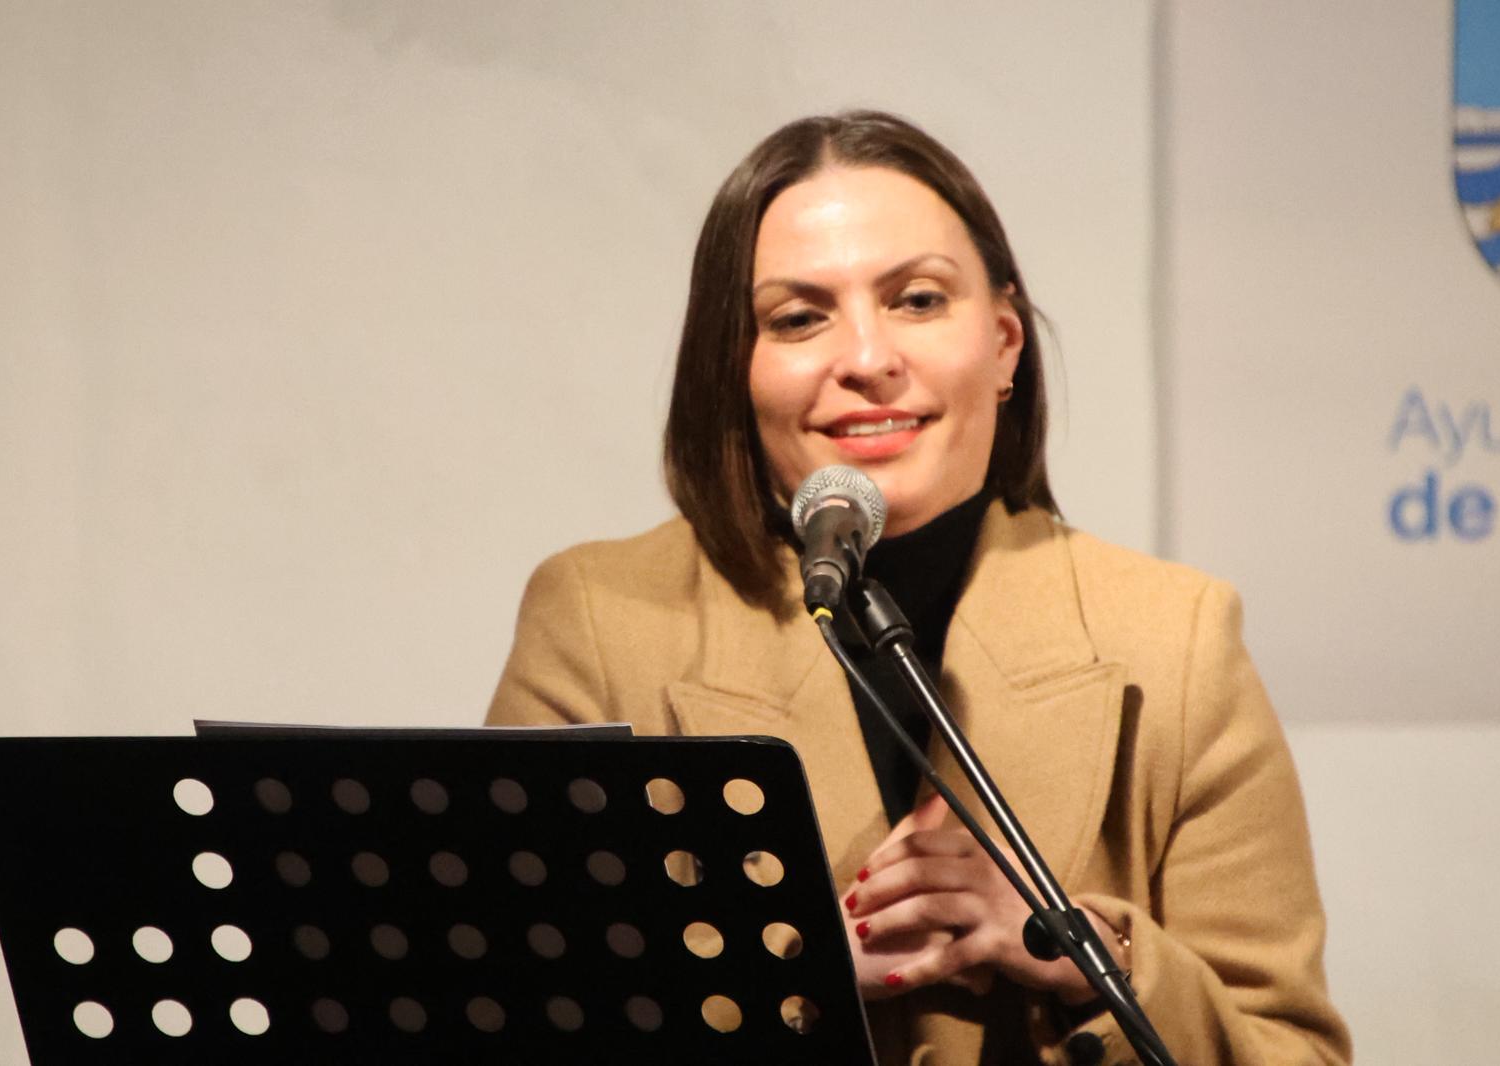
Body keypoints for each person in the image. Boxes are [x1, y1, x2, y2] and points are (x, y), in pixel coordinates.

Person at [487, 111, 1352, 1065]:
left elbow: (1293, 1054)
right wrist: (787, 969)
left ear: (1005, 343)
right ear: (735, 371)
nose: (866, 358)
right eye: (798, 318)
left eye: (918, 300)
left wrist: (1080, 950)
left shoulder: (1175, 636)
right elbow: (508, 1013)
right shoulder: (600, 622)